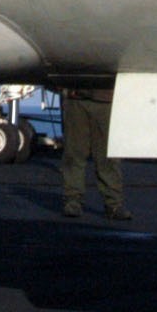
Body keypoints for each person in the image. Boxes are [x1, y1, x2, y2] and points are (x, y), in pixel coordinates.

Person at [59, 83, 130, 221]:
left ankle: (113, 204)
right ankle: (73, 200)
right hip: (78, 98)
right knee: (74, 154)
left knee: (108, 157)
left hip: (103, 99)